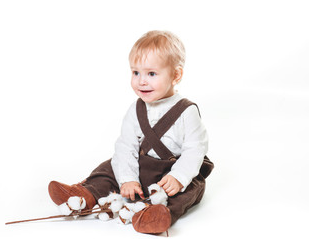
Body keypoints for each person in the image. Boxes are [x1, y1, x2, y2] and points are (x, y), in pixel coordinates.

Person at [48, 30, 214, 234]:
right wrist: (127, 178)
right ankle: (84, 195)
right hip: (142, 166)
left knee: (189, 189)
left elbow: (195, 150)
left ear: (176, 75)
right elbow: (127, 145)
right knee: (110, 166)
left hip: (171, 172)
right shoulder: (136, 109)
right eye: (136, 72)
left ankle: (159, 213)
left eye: (151, 74)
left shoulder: (187, 111)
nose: (141, 81)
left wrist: (179, 176)